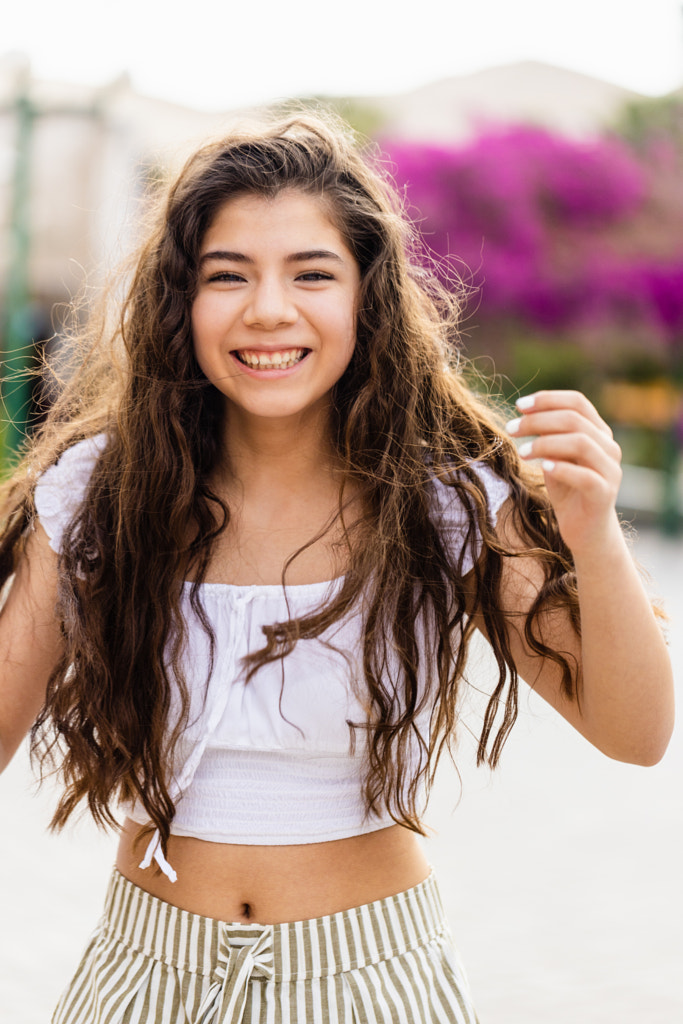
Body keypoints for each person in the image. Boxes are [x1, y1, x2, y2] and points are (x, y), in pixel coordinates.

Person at [0, 111, 674, 1024]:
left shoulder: (448, 499)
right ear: (178, 303)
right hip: (146, 971)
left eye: (311, 274)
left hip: (370, 974)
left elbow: (634, 733)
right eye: (225, 276)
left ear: (368, 296)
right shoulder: (98, 493)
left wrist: (592, 535)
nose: (268, 309)